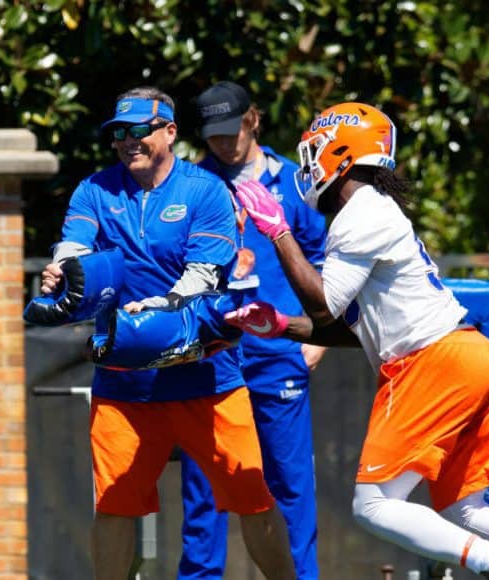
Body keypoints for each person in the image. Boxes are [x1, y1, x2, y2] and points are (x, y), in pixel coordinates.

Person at [225, 101, 489, 580]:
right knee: (465, 510)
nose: (307, 166)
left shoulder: (360, 212)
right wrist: (282, 325)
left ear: (343, 154)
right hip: (469, 353)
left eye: (316, 152)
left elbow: (324, 304)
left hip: (434, 361)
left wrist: (279, 232)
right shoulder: (368, 211)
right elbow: (351, 326)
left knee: (373, 505)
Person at [38, 86, 291, 580]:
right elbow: (75, 244)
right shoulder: (95, 189)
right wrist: (61, 271)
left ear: (169, 131)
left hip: (207, 378)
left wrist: (163, 307)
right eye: (119, 134)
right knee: (114, 506)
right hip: (123, 381)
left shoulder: (205, 190)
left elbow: (204, 273)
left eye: (140, 131)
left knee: (252, 499)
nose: (128, 142)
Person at [176, 80, 327, 580]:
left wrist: (319, 338)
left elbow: (324, 257)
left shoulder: (295, 182)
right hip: (211, 353)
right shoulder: (194, 184)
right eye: (212, 134)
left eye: (231, 130)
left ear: (253, 120)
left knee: (290, 484)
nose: (223, 142)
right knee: (204, 488)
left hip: (279, 348)